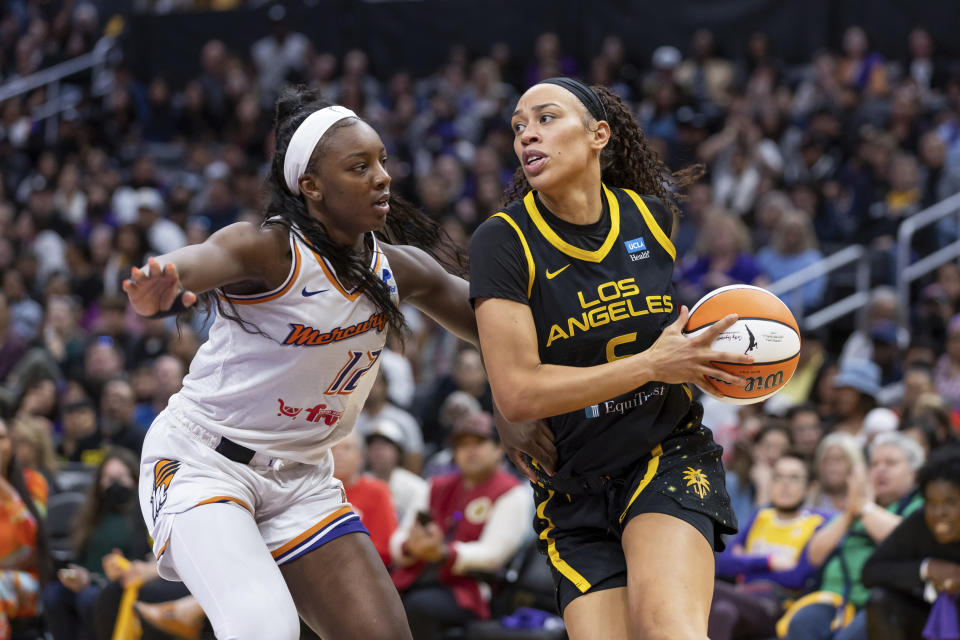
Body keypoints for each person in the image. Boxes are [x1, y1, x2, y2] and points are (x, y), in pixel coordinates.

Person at [122, 87, 483, 640]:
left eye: (383, 161)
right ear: (310, 187)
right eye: (360, 166)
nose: (383, 176)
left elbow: (493, 322)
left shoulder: (399, 268)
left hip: (302, 479)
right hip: (204, 463)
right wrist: (165, 279)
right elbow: (205, 258)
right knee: (265, 628)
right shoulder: (272, 250)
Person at [469, 77, 754, 640]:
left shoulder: (651, 219)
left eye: (546, 118)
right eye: (519, 126)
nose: (528, 134)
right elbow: (519, 392)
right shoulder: (502, 241)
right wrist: (652, 364)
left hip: (663, 451)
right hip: (572, 484)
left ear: (598, 134)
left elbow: (671, 342)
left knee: (666, 626)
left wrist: (702, 358)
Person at [390, 411, 533, 640]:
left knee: (417, 606)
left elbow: (493, 554)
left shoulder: (511, 492)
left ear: (498, 448)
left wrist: (444, 552)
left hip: (473, 588)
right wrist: (410, 546)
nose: (470, 451)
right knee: (377, 599)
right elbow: (398, 539)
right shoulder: (435, 486)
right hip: (418, 574)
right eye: (462, 444)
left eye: (478, 442)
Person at [783, 432, 925, 640]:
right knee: (801, 623)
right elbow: (814, 555)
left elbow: (904, 541)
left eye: (891, 463)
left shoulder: (919, 505)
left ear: (914, 472)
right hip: (833, 598)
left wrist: (864, 507)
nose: (880, 470)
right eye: (875, 464)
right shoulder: (856, 507)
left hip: (883, 601)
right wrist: (850, 513)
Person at [710, 452, 831, 640]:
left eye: (794, 478)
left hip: (779, 606)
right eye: (778, 477)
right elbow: (724, 563)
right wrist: (769, 561)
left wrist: (745, 560)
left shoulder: (817, 523)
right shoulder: (761, 516)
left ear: (809, 487)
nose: (785, 484)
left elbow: (797, 577)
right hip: (741, 598)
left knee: (712, 590)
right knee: (724, 612)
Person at [42, 448, 152, 640]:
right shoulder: (91, 515)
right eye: (108, 479)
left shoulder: (141, 514)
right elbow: (80, 557)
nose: (115, 484)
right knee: (53, 595)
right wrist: (75, 574)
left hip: (120, 583)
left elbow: (141, 559)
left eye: (121, 477)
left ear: (135, 478)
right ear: (99, 482)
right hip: (86, 581)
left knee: (89, 599)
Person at [861, 446, 960, 640]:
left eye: (950, 502)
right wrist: (927, 569)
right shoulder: (920, 522)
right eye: (931, 503)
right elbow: (870, 571)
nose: (939, 513)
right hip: (926, 619)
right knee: (880, 601)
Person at [0, 415, 49, 640]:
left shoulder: (33, 482)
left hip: (24, 578)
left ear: (11, 443)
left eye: (1, 438)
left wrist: (7, 494)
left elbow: (26, 550)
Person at [331, 430, 398, 566]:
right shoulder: (314, 492)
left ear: (361, 456)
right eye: (332, 448)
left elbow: (385, 550)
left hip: (365, 572)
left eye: (347, 448)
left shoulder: (378, 491)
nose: (338, 454)